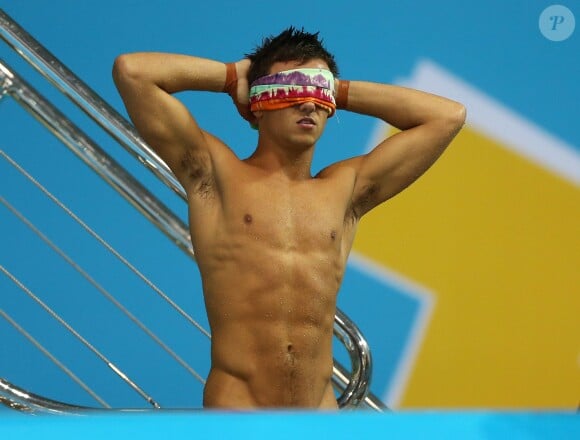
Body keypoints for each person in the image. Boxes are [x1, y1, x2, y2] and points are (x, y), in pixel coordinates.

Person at [112, 27, 465, 409]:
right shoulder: (215, 175)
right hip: (238, 412)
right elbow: (133, 71)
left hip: (321, 416)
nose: (309, 104)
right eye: (292, 88)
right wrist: (233, 77)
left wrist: (339, 90)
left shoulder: (345, 191)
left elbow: (447, 117)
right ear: (259, 101)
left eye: (319, 92)